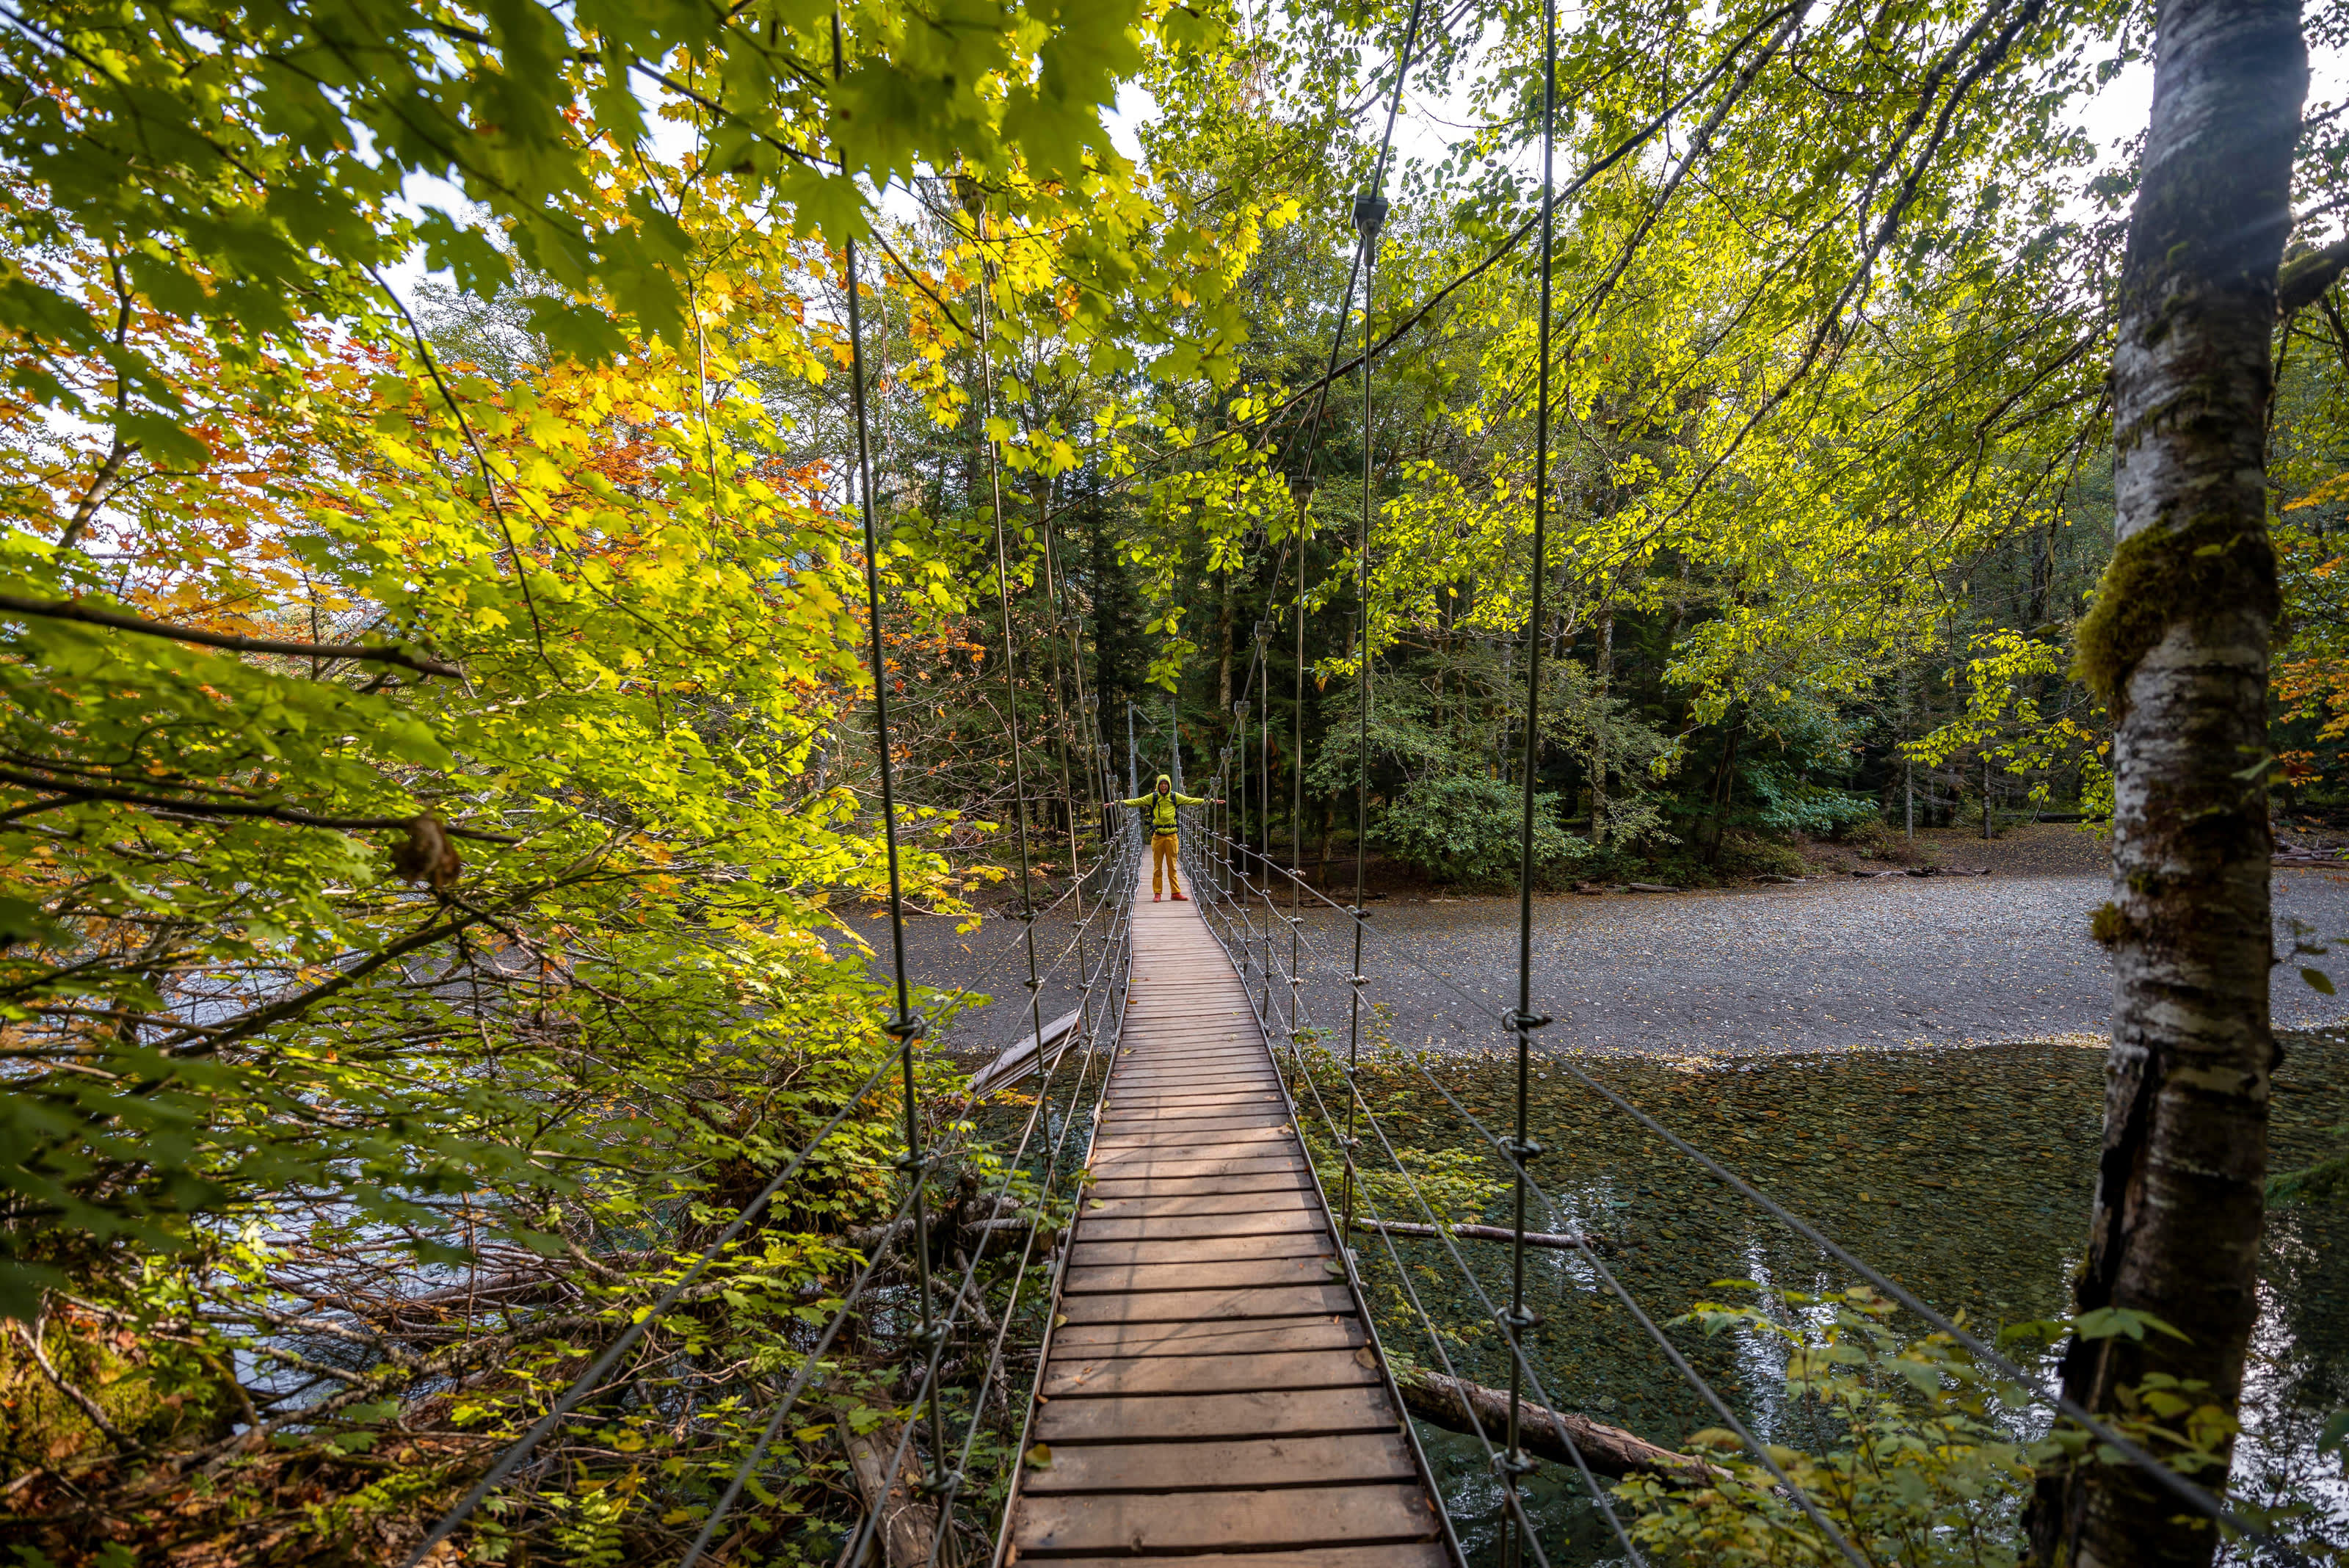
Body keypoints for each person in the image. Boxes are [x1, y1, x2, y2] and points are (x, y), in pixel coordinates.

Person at [1121, 773, 1221, 901]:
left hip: (1172, 836)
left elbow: (1190, 800)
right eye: (1162, 784)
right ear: (1158, 786)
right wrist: (1119, 803)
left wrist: (1209, 801)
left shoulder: (1175, 797)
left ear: (1169, 785)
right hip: (1158, 836)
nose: (1164, 786)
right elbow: (1136, 802)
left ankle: (1175, 893)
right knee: (1157, 867)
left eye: (1166, 784)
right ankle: (1157, 893)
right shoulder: (1153, 797)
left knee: (1172, 866)